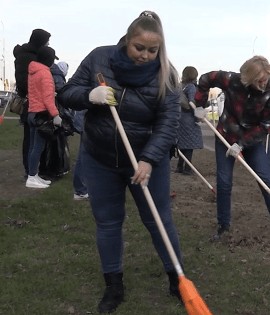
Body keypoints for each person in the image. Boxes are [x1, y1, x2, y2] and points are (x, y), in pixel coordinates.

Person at [58, 11, 183, 313]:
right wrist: (91, 95)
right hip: (101, 157)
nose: (145, 55)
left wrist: (150, 159)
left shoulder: (166, 73)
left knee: (158, 220)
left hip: (146, 160)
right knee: (108, 222)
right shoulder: (100, 59)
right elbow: (66, 93)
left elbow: (169, 123)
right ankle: (114, 285)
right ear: (128, 40)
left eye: (152, 50)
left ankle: (177, 279)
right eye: (139, 48)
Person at [194, 55, 270, 248]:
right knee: (224, 183)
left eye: (265, 79)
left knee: (265, 180)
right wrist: (200, 105)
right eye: (259, 81)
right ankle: (223, 225)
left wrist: (241, 144)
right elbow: (206, 79)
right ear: (248, 78)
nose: (263, 84)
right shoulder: (232, 80)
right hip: (226, 135)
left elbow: (266, 126)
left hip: (252, 140)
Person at [13, 29, 54, 181]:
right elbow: (27, 83)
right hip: (34, 103)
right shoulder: (31, 59)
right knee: (33, 141)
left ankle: (33, 172)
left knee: (33, 140)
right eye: (46, 42)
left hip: (32, 102)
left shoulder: (26, 56)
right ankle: (31, 173)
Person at [26, 46, 62, 189]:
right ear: (49, 59)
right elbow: (48, 99)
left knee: (32, 147)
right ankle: (32, 177)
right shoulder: (45, 74)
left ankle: (33, 175)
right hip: (41, 115)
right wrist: (56, 115)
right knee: (38, 148)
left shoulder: (33, 72)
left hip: (32, 113)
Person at [175, 66, 203, 175]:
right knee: (189, 147)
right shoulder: (191, 87)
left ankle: (179, 166)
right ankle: (187, 168)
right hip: (189, 120)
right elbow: (192, 103)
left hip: (180, 119)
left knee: (183, 144)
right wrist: (199, 117)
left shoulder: (181, 86)